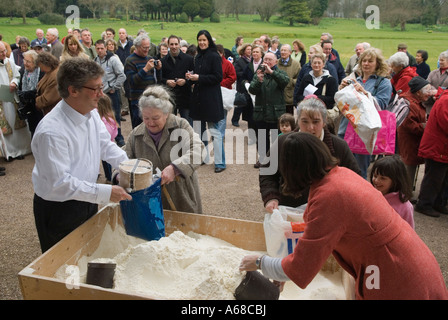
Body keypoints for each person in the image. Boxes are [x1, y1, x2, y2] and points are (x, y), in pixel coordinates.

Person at [242, 132, 448, 300]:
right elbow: (314, 241)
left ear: (294, 170)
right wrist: (285, 268)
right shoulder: (338, 175)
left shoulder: (330, 197)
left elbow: (302, 268)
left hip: (397, 276)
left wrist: (260, 262)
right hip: (398, 263)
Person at [31, 57, 132, 253]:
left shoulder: (91, 111)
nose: (101, 94)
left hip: (87, 198)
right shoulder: (51, 132)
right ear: (73, 90)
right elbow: (59, 184)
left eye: (101, 87)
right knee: (63, 264)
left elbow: (105, 144)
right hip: (59, 208)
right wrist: (107, 193)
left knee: (88, 252)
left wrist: (130, 166)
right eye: (95, 89)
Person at [259, 96, 360, 211]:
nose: (310, 127)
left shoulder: (339, 146)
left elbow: (355, 179)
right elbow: (267, 172)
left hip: (327, 211)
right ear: (298, 121)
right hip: (289, 209)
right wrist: (271, 197)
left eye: (316, 122)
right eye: (305, 121)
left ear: (324, 122)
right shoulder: (283, 142)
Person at [124, 85, 205, 213]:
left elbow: (198, 149)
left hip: (182, 198)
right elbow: (123, 159)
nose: (150, 123)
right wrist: (119, 175)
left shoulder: (181, 125)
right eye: (146, 118)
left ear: (166, 114)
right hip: (150, 203)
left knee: (187, 230)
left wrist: (175, 168)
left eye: (155, 118)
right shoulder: (135, 135)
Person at [338, 48, 393, 179]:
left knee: (358, 170)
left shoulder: (383, 82)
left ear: (377, 64)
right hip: (345, 129)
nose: (366, 64)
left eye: (370, 61)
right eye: (364, 61)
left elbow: (381, 104)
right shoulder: (354, 79)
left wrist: (364, 93)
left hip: (364, 133)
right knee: (341, 168)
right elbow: (342, 105)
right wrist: (342, 90)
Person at [186, 30, 226, 174]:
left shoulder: (214, 56)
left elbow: (218, 77)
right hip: (198, 99)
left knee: (214, 131)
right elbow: (199, 75)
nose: (202, 42)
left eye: (204, 40)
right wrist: (191, 76)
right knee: (199, 132)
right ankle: (203, 157)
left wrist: (199, 78)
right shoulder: (198, 56)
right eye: (199, 40)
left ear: (209, 41)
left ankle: (220, 162)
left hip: (210, 99)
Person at [249, 51, 289, 168]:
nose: (266, 62)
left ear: (275, 62)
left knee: (276, 138)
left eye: (269, 60)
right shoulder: (258, 73)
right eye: (265, 59)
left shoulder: (280, 72)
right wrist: (259, 80)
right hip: (261, 112)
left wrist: (272, 73)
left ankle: (277, 160)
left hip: (276, 112)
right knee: (261, 137)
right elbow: (252, 90)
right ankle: (263, 159)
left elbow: (285, 82)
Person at [397, 76, 436, 192]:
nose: (429, 94)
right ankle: (405, 194)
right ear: (418, 92)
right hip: (409, 143)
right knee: (409, 168)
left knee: (410, 166)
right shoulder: (409, 104)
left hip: (412, 142)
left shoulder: (413, 101)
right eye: (427, 91)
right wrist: (428, 126)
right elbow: (410, 126)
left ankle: (407, 192)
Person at [415, 88, 448, 218]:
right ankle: (424, 204)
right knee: (434, 178)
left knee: (443, 178)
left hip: (441, 148)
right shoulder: (445, 100)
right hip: (437, 147)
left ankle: (437, 203)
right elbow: (445, 122)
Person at [0, 42, 31, 161]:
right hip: (1, 102)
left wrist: (14, 82)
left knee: (15, 122)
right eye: (1, 52)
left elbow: (17, 75)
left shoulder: (9, 62)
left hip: (12, 99)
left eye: (4, 51)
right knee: (5, 125)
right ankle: (8, 152)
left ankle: (20, 149)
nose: (4, 54)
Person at [124, 34, 162, 129]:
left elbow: (157, 80)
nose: (147, 50)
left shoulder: (149, 58)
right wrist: (145, 69)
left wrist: (158, 69)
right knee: (139, 129)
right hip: (138, 101)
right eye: (144, 47)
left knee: (152, 128)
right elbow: (132, 82)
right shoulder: (130, 60)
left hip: (151, 100)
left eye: (148, 47)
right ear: (137, 46)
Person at [94, 39, 126, 147]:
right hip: (100, 95)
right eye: (98, 48)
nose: (100, 50)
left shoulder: (113, 60)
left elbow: (122, 75)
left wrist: (114, 87)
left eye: (102, 48)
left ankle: (119, 138)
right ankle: (106, 138)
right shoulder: (95, 61)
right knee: (101, 117)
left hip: (112, 93)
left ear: (106, 48)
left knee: (115, 116)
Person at [370, 155, 415, 228]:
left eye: (383, 178)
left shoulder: (405, 207)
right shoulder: (370, 195)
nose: (376, 180)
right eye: (375, 176)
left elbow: (409, 231)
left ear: (395, 181)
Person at [161, 35, 194, 125]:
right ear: (168, 45)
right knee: (170, 124)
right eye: (172, 44)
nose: (174, 46)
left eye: (176, 44)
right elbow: (160, 79)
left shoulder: (189, 59)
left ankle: (188, 139)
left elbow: (193, 77)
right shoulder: (163, 61)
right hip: (170, 97)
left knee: (187, 124)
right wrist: (167, 81)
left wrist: (185, 81)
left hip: (185, 96)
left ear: (179, 45)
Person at [17, 50, 45, 136]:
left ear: (35, 62)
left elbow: (41, 89)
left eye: (28, 61)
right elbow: (20, 85)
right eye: (24, 60)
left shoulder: (41, 72)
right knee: (32, 130)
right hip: (28, 107)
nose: (25, 63)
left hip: (39, 107)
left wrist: (27, 94)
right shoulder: (23, 71)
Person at [97, 95, 118, 183]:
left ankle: (109, 178)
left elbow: (107, 135)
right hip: (109, 142)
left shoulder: (104, 120)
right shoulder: (110, 117)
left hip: (106, 145)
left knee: (108, 163)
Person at [231, 43, 252, 127]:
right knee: (240, 103)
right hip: (242, 85)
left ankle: (248, 119)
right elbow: (236, 72)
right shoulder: (240, 60)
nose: (250, 51)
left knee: (249, 103)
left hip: (250, 85)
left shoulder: (251, 60)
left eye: (251, 49)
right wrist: (245, 74)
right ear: (243, 51)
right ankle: (234, 120)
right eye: (248, 49)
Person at [277, 44, 301, 115]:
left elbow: (299, 80)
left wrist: (289, 82)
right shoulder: (276, 63)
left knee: (289, 119)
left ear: (290, 52)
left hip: (289, 96)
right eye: (281, 50)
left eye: (285, 50)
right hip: (277, 96)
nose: (283, 52)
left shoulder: (296, 64)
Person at [423, 50, 448, 115]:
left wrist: (438, 93)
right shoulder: (433, 73)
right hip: (430, 105)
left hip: (444, 106)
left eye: (442, 60)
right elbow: (426, 84)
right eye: (439, 60)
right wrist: (433, 93)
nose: (440, 62)